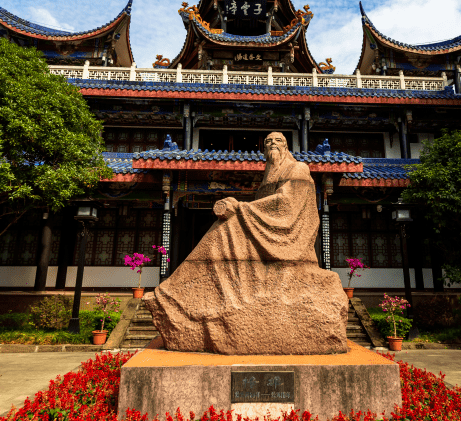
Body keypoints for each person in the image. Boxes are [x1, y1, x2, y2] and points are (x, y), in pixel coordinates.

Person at [144, 132, 348, 354]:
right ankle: (178, 291)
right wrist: (243, 210)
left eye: (277, 141)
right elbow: (266, 206)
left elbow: (287, 205)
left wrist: (241, 208)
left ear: (286, 146)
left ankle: (177, 290)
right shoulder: (269, 175)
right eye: (268, 142)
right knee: (221, 231)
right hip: (265, 228)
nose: (272, 144)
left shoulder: (298, 169)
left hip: (289, 235)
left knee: (224, 230)